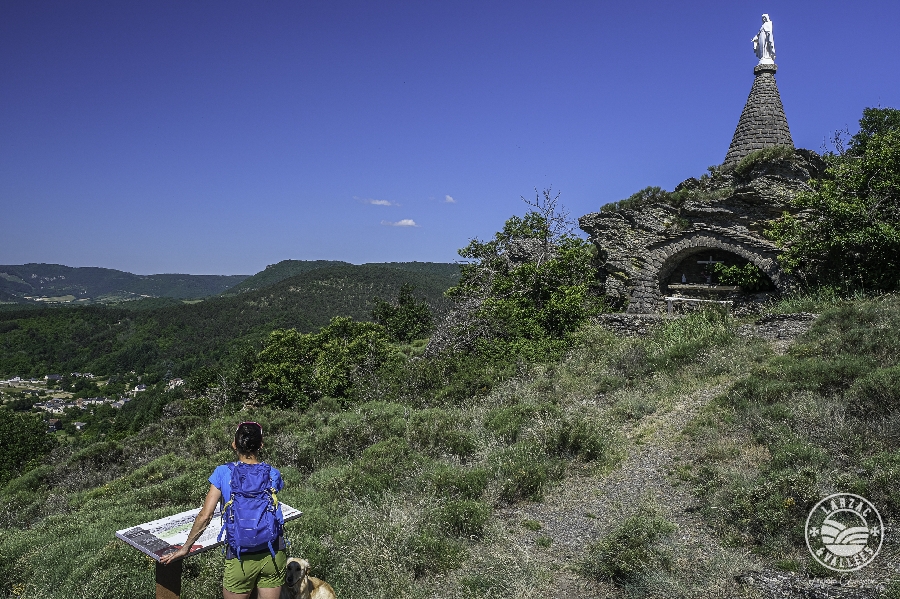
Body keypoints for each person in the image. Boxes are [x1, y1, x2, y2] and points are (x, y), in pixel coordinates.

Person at [160, 422, 286, 599]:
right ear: (261, 444)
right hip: (273, 552)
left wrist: (185, 548)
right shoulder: (273, 473)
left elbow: (206, 515)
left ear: (234, 444)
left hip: (240, 557)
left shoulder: (223, 472)